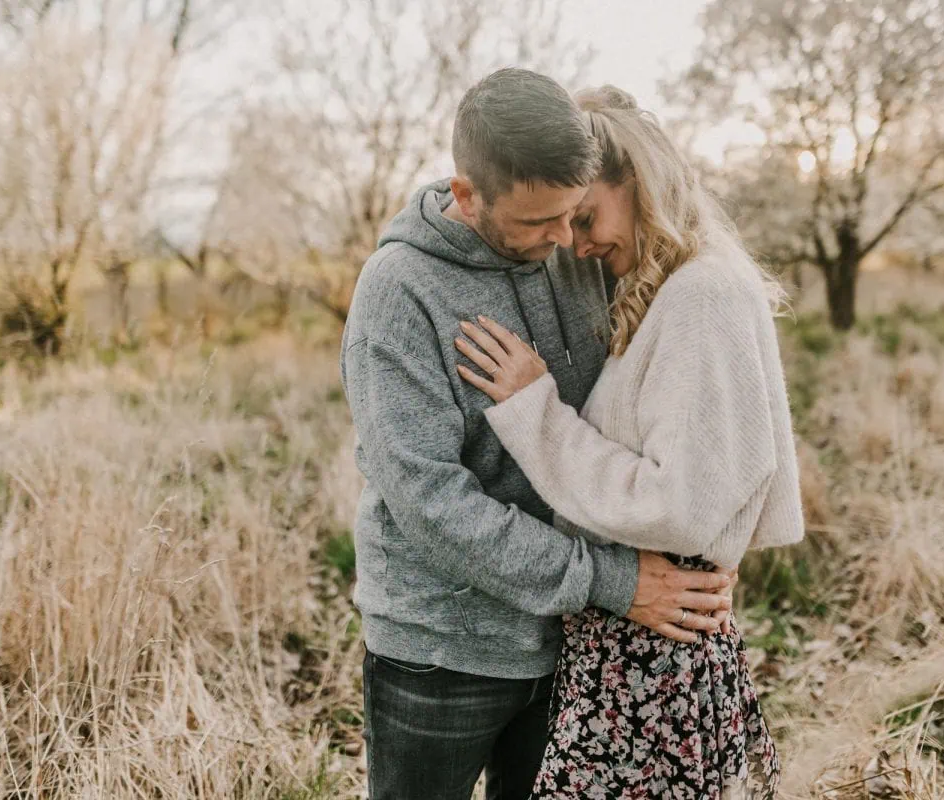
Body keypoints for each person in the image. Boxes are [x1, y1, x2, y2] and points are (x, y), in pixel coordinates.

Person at [339, 69, 736, 800]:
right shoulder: (398, 293)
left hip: (573, 643)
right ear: (466, 196)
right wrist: (613, 582)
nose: (564, 241)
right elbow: (431, 502)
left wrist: (701, 541)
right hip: (441, 652)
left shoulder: (573, 251)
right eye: (537, 224)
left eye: (573, 214)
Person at [455, 84, 805, 798]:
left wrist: (535, 411)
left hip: (653, 647)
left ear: (637, 179)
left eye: (585, 217)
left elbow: (679, 502)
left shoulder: (702, 295)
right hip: (637, 637)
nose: (578, 245)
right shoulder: (671, 288)